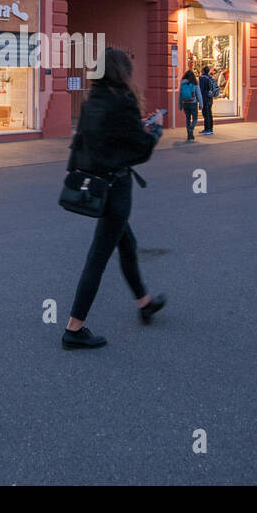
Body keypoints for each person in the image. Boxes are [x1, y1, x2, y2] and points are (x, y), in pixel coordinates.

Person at [62, 48, 165, 350]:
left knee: (127, 245)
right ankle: (74, 327)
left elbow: (92, 142)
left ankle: (144, 302)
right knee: (98, 257)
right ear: (122, 72)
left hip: (96, 186)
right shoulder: (124, 101)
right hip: (116, 189)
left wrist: (135, 131)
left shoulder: (93, 101)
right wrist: (155, 128)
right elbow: (140, 150)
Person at [179, 69, 202, 141]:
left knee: (188, 119)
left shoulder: (182, 83)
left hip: (185, 103)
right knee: (195, 118)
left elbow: (180, 95)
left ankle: (189, 135)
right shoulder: (195, 83)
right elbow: (199, 94)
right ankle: (191, 129)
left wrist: (180, 104)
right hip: (193, 103)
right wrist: (201, 104)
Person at [197, 66, 217, 135]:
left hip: (204, 98)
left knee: (205, 114)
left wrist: (199, 100)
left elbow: (201, 90)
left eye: (201, 69)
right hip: (210, 98)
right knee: (209, 113)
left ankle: (207, 129)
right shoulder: (210, 77)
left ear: (203, 71)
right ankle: (210, 128)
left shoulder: (202, 78)